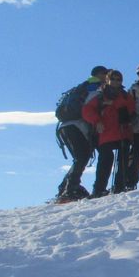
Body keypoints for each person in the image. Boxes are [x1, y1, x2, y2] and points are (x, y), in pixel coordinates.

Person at [56, 65, 107, 202]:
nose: (107, 76)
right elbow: (91, 107)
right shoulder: (94, 86)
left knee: (80, 157)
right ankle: (70, 189)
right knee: (82, 156)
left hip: (65, 125)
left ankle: (65, 187)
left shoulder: (82, 86)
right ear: (98, 74)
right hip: (76, 125)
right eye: (105, 73)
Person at [82, 69, 135, 197]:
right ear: (107, 79)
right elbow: (87, 111)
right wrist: (97, 121)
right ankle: (101, 188)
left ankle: (116, 187)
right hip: (108, 131)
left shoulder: (120, 95)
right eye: (113, 79)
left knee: (118, 160)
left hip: (119, 131)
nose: (116, 82)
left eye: (119, 79)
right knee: (107, 159)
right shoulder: (102, 95)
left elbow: (131, 109)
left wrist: (112, 103)